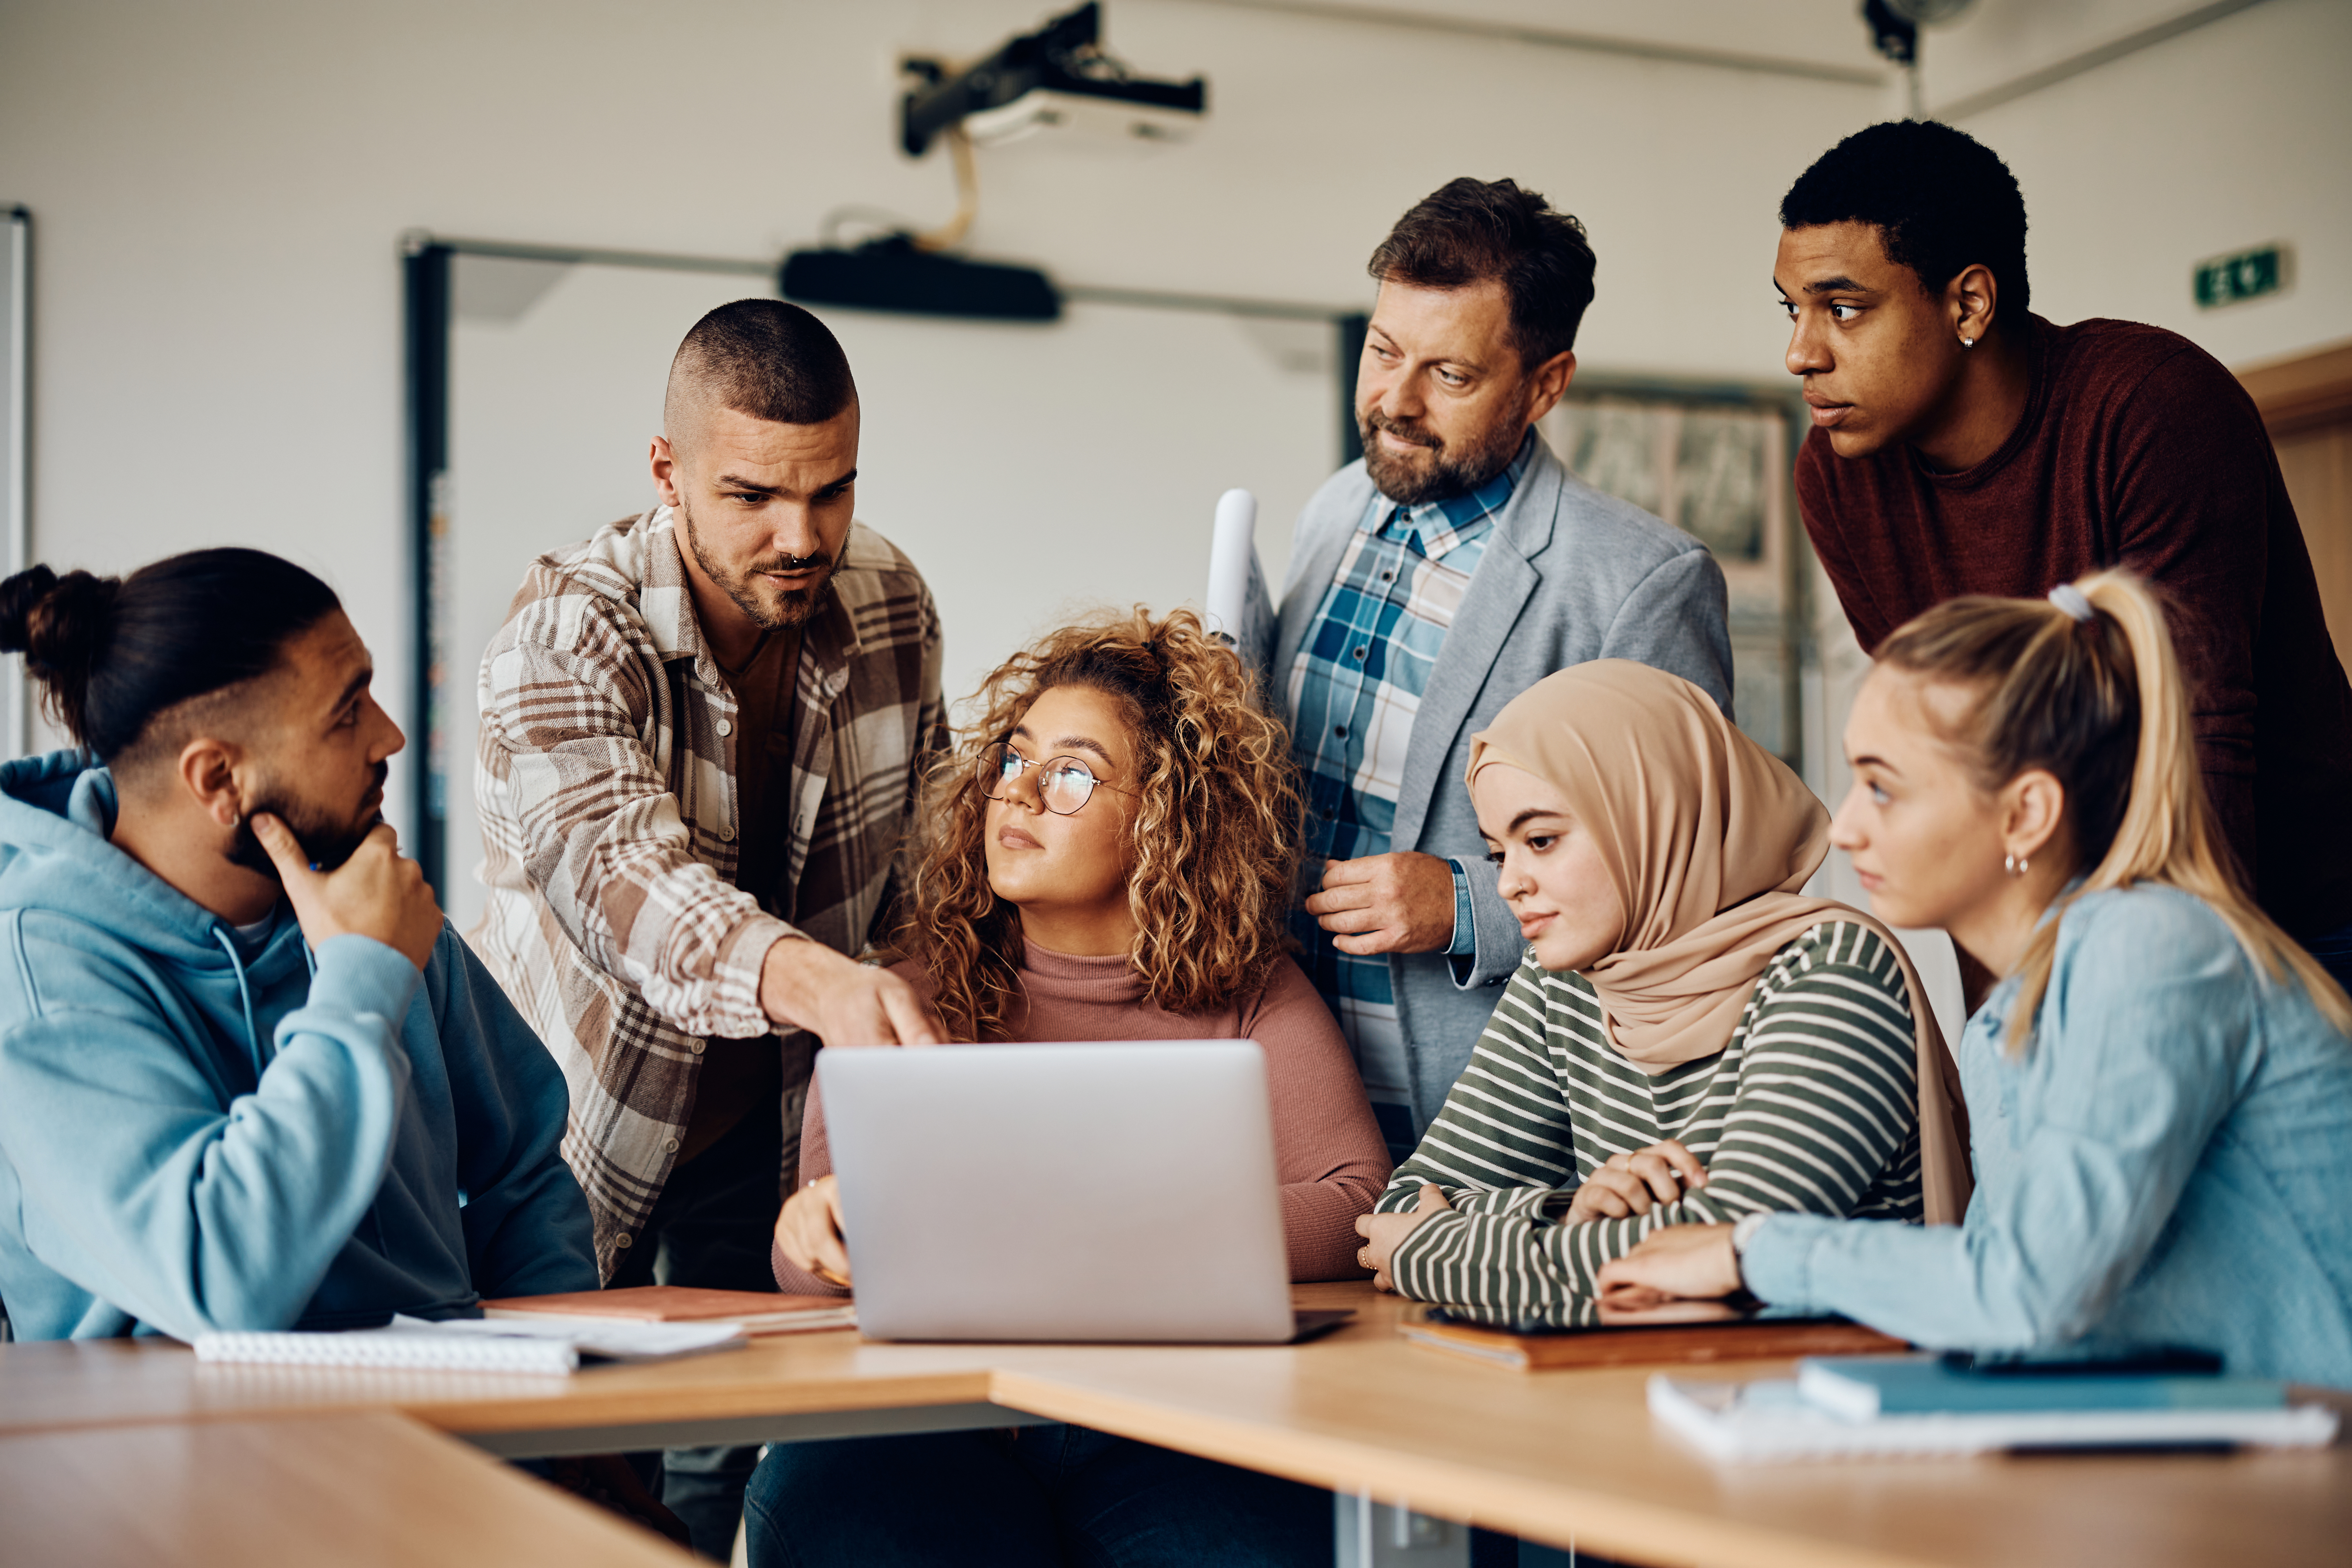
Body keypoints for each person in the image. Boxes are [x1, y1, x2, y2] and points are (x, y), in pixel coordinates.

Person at [750, 608, 1390, 1568]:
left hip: (1169, 1423)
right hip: (927, 1420)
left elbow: (1358, 1201)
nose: (1020, 793)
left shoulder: (1254, 989)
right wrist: (814, 1235)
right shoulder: (910, 989)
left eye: (1074, 774)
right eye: (1016, 757)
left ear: (1164, 816)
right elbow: (816, 1263)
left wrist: (1107, 1223)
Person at [1600, 575, 2352, 1388]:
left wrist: (1749, 1249)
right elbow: (2000, 1309)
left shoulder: (2153, 947)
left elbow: (2027, 1292)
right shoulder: (2009, 1017)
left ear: (2026, 814)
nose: (1844, 824)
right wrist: (1701, 1272)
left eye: (1882, 785)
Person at [470, 298, 944, 1555]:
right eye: (753, 498)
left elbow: (920, 870)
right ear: (666, 471)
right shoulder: (564, 635)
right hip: (577, 1146)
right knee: (572, 1499)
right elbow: (626, 883)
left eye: (832, 491)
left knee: (720, 1486)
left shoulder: (891, 599)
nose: (804, 538)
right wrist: (825, 985)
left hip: (781, 1143)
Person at [1777, 120, 2352, 994]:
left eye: (1843, 309)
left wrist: (2172, 1007)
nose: (1801, 354)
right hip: (2058, 931)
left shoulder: (2151, 407)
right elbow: (1958, 760)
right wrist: (2010, 1023)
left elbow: (2198, 746)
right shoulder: (1838, 476)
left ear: (1969, 303)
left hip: (2296, 919)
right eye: (1794, 309)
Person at [0, 550, 596, 1343]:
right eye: (347, 713)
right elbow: (225, 1276)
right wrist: (360, 983)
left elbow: (521, 1174)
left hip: (446, 1427)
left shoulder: (374, 899)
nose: (390, 736)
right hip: (186, 1451)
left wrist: (565, 1407)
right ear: (218, 780)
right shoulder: (41, 970)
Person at [1271, 176, 1734, 1163]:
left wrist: (1465, 903)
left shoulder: (1643, 581)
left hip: (1490, 1126)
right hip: (1292, 1104)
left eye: (1450, 374)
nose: (1394, 401)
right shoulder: (1331, 511)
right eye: (1383, 351)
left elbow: (1694, 889)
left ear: (1546, 383)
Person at [1353, 662, 1967, 1320]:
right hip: (1650, 1389)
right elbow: (1406, 1203)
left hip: (1833, 1395)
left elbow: (1724, 1254)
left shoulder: (1835, 972)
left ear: (1651, 816)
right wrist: (1566, 1214)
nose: (1510, 885)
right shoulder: (1566, 979)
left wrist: (1433, 1253)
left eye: (1541, 840)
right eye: (1502, 854)